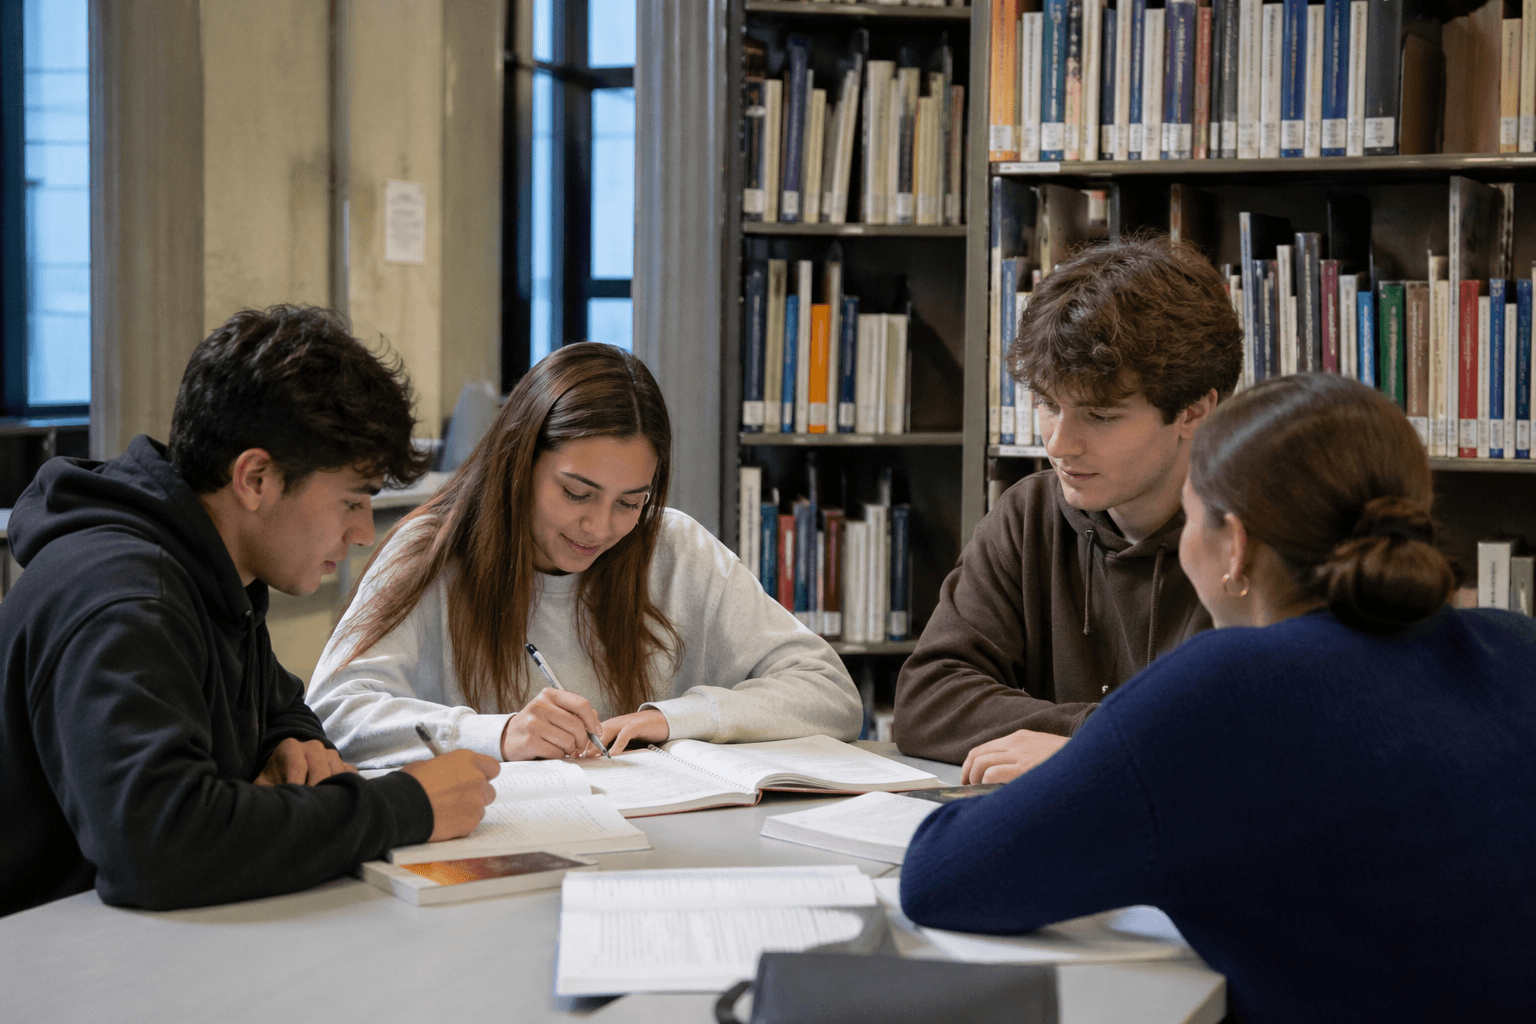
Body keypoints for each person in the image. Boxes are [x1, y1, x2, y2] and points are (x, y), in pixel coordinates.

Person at [900, 373, 1536, 1021]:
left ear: (1235, 545)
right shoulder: (1517, 644)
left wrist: (1086, 763)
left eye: (1191, 517)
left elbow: (941, 878)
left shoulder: (1226, 690)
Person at [0, 306, 499, 918]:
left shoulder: (208, 566)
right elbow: (159, 847)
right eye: (351, 501)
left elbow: (281, 705)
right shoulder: (128, 599)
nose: (365, 532)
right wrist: (407, 806)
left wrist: (294, 743)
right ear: (256, 478)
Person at [308, 342, 862, 767]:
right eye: (576, 493)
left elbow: (829, 693)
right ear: (519, 462)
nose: (599, 528)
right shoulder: (433, 551)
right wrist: (498, 735)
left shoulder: (674, 547)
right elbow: (334, 711)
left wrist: (675, 719)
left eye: (630, 502)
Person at [895, 235, 1243, 781]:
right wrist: (1105, 739)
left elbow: (1265, 734)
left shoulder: (1256, 535)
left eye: (1100, 416)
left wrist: (1095, 750)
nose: (1058, 445)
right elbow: (929, 703)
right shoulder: (1029, 512)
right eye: (1047, 405)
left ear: (1193, 412)